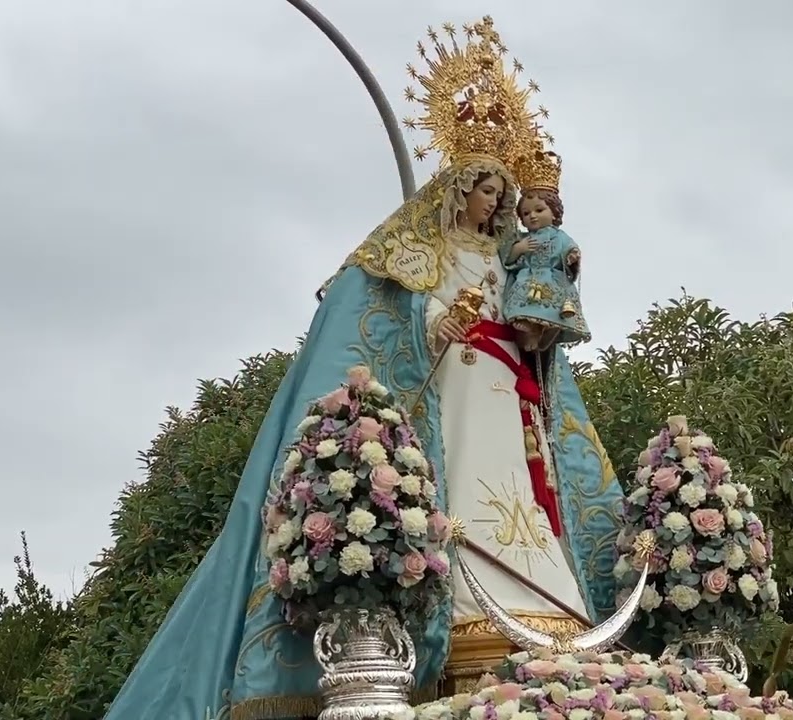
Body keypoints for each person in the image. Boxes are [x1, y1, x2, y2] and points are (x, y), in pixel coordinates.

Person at [102, 18, 623, 720]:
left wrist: (544, 326)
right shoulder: (414, 260)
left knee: (518, 492)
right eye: (485, 190)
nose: (495, 204)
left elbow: (537, 322)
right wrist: (443, 327)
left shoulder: (510, 261)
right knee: (463, 482)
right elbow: (390, 345)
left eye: (503, 195)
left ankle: (544, 597)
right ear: (457, 188)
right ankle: (457, 610)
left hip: (506, 395)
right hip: (455, 390)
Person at [498, 150, 591, 352]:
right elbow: (508, 258)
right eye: (526, 213)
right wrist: (519, 249)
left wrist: (572, 257)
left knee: (555, 311)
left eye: (539, 210)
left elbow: (569, 250)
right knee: (524, 303)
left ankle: (546, 332)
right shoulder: (523, 238)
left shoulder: (559, 236)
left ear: (554, 211)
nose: (532, 216)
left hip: (552, 280)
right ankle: (531, 333)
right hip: (529, 279)